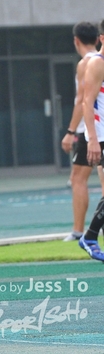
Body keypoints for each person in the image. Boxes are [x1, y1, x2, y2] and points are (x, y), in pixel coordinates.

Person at [60, 22, 99, 241]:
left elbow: (82, 101)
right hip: (97, 128)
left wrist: (70, 131)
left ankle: (78, 231)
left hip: (91, 130)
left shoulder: (87, 63)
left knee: (77, 178)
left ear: (76, 41)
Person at [79, 20, 104, 261]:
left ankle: (91, 236)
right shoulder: (97, 63)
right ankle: (89, 236)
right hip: (101, 135)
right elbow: (87, 102)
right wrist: (93, 140)